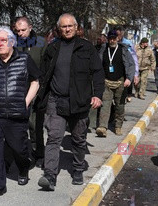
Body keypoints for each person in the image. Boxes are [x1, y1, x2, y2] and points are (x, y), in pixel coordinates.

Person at [36, 13, 105, 191]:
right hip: (56, 100)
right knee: (53, 138)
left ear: (76, 28)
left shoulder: (87, 48)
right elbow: (43, 74)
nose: (67, 29)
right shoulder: (53, 48)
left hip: (80, 102)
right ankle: (49, 175)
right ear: (59, 29)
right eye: (63, 27)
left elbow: (98, 72)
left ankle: (77, 168)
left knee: (79, 139)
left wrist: (97, 95)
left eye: (70, 26)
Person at [0, 27, 41, 199]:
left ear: (12, 42)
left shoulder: (24, 59)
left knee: (19, 148)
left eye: (3, 41)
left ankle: (23, 166)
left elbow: (35, 82)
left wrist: (25, 102)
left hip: (16, 115)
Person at [13, 16, 45, 166]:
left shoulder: (40, 43)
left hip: (37, 87)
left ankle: (38, 153)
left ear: (30, 27)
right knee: (20, 124)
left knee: (35, 124)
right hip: (19, 88)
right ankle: (23, 153)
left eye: (23, 30)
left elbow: (45, 65)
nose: (20, 33)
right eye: (18, 30)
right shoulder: (14, 43)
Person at [96, 30, 135, 136]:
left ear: (117, 38)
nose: (112, 40)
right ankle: (102, 127)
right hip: (106, 82)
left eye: (114, 38)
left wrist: (129, 79)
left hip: (120, 82)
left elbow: (131, 65)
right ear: (108, 39)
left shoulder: (124, 50)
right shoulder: (103, 50)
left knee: (120, 106)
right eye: (110, 38)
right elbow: (98, 65)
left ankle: (118, 126)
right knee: (105, 105)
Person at [115, 26, 139, 102]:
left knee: (127, 84)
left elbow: (134, 58)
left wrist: (135, 73)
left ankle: (127, 95)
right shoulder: (111, 43)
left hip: (126, 68)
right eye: (116, 34)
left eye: (119, 34)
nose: (118, 36)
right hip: (115, 69)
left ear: (122, 34)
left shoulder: (128, 43)